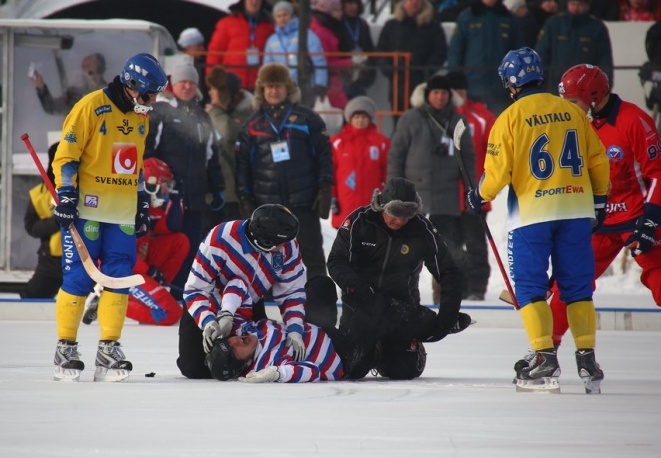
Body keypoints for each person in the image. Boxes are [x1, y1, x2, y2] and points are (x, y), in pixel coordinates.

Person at [465, 47, 610, 393]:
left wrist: (479, 195)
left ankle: (544, 355)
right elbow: (598, 160)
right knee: (577, 287)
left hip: (532, 215)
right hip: (575, 210)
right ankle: (587, 357)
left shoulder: (509, 118)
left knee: (529, 289)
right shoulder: (572, 111)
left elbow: (497, 174)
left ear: (510, 84)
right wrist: (599, 201)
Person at [50, 53, 168, 382]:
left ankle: (108, 348)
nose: (153, 101)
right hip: (86, 209)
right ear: (131, 86)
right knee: (79, 277)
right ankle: (66, 347)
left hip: (121, 212)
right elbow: (66, 156)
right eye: (150, 93)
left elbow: (135, 164)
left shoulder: (141, 117)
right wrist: (67, 193)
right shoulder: (90, 106)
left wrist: (142, 200)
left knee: (120, 277)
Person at [536, 64, 661, 351]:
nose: (569, 108)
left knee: (658, 276)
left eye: (573, 102)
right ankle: (545, 351)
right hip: (597, 220)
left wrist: (651, 220)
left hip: (637, 217)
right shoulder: (573, 124)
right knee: (568, 284)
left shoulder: (634, 120)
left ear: (594, 97)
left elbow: (658, 173)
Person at [327, 177, 473, 380]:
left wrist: (447, 315)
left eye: (407, 215)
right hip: (361, 308)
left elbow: (449, 271)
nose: (400, 221)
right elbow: (336, 262)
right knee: (352, 369)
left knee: (404, 371)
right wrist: (360, 289)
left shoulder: (422, 229)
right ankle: (421, 327)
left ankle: (411, 338)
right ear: (381, 206)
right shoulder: (359, 222)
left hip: (401, 310)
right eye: (395, 214)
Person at [176, 203, 307, 379]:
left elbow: (291, 292)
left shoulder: (288, 245)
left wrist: (295, 330)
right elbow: (195, 288)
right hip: (208, 301)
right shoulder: (220, 238)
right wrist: (207, 320)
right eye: (280, 243)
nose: (286, 246)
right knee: (194, 368)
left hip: (250, 303)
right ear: (265, 242)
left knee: (261, 361)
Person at [235, 62, 333, 279]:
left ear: (288, 88)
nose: (274, 90)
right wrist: (245, 197)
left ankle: (321, 307)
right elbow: (242, 165)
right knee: (265, 261)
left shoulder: (307, 118)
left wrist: (325, 186)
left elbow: (324, 155)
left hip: (303, 202)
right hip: (266, 205)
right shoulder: (252, 124)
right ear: (262, 90)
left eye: (278, 85)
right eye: (269, 86)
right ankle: (267, 307)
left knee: (313, 257)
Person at [388, 74, 477, 300]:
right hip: (413, 198)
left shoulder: (458, 121)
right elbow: (396, 154)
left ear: (450, 96)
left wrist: (471, 190)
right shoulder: (410, 118)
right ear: (427, 95)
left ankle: (444, 296)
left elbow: (468, 158)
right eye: (435, 92)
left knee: (446, 250)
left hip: (446, 199)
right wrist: (393, 189)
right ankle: (405, 295)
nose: (439, 97)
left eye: (444, 93)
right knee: (408, 250)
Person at [145, 62, 225, 300]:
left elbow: (212, 155)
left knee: (192, 247)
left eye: (192, 82)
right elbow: (147, 151)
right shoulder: (160, 111)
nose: (188, 86)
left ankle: (185, 295)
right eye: (183, 82)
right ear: (173, 84)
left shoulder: (202, 116)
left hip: (195, 196)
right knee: (167, 245)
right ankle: (161, 293)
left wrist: (218, 187)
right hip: (167, 197)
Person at [82, 158, 189, 327]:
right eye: (164, 185)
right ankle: (106, 302)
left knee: (180, 242)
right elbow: (118, 253)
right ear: (150, 183)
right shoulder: (125, 207)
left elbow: (171, 229)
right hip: (120, 270)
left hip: (134, 266)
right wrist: (148, 271)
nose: (166, 190)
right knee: (170, 313)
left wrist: (177, 199)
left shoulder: (144, 205)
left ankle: (155, 291)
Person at [445, 70, 496, 301]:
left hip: (474, 194)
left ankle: (477, 288)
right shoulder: (439, 118)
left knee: (475, 244)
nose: (457, 95)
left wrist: (486, 184)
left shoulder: (482, 117)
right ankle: (458, 287)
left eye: (460, 91)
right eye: (453, 91)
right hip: (446, 196)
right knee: (451, 246)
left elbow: (497, 152)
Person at [447, 0, 523, 116]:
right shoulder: (467, 16)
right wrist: (457, 82)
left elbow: (518, 52)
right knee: (472, 126)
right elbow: (455, 51)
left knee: (499, 126)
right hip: (472, 85)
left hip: (500, 88)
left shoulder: (508, 17)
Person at [376, 0, 447, 117]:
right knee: (399, 124)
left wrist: (425, 71)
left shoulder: (433, 27)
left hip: (422, 85)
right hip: (397, 85)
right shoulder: (391, 25)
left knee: (421, 123)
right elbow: (381, 51)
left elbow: (440, 52)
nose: (414, 3)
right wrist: (390, 70)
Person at [204, 66, 254, 228]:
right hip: (215, 191)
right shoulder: (223, 114)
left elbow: (226, 134)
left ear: (225, 93)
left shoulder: (244, 115)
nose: (210, 93)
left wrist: (216, 114)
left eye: (214, 90)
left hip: (234, 194)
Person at [330, 95, 389, 229]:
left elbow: (387, 172)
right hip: (345, 202)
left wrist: (388, 196)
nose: (360, 120)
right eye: (356, 117)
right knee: (346, 244)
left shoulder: (381, 143)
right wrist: (332, 196)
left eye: (364, 117)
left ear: (370, 118)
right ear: (350, 119)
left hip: (372, 203)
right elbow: (331, 172)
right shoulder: (337, 143)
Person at [535, 0, 614, 94]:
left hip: (585, 88)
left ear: (587, 6)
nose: (576, 8)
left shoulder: (597, 27)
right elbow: (541, 55)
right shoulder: (554, 24)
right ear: (567, 4)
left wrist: (605, 85)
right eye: (573, 4)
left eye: (580, 4)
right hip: (555, 86)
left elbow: (604, 60)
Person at [263, 1, 329, 99]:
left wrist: (320, 84)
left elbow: (319, 60)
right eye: (278, 16)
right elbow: (267, 67)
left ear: (291, 15)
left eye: (285, 14)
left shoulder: (305, 34)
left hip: (304, 87)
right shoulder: (271, 40)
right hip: (280, 90)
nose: (282, 18)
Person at [205, 0, 275, 92]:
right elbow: (215, 52)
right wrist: (212, 77)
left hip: (259, 85)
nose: (254, 2)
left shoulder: (270, 26)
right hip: (231, 84)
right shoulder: (226, 23)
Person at [22, 142, 62, 299]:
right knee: (30, 299)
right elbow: (31, 227)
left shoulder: (88, 189)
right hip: (51, 263)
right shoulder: (39, 194)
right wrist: (56, 221)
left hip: (86, 260)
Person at [30, 52, 107, 116]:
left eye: (88, 67)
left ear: (99, 70)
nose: (84, 71)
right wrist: (41, 87)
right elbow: (52, 108)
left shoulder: (110, 94)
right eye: (83, 67)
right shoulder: (74, 95)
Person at [310, 0, 353, 109]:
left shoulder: (327, 27)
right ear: (329, 12)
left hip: (334, 82)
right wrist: (350, 62)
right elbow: (325, 62)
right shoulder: (321, 32)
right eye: (337, 10)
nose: (341, 13)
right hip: (330, 84)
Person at [340, 0, 377, 99]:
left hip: (361, 75)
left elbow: (370, 49)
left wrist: (369, 74)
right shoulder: (338, 23)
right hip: (343, 76)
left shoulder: (362, 24)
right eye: (350, 3)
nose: (354, 7)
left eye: (356, 4)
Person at [176, 27, 209, 103]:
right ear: (187, 46)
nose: (203, 49)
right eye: (199, 46)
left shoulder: (195, 65)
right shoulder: (179, 66)